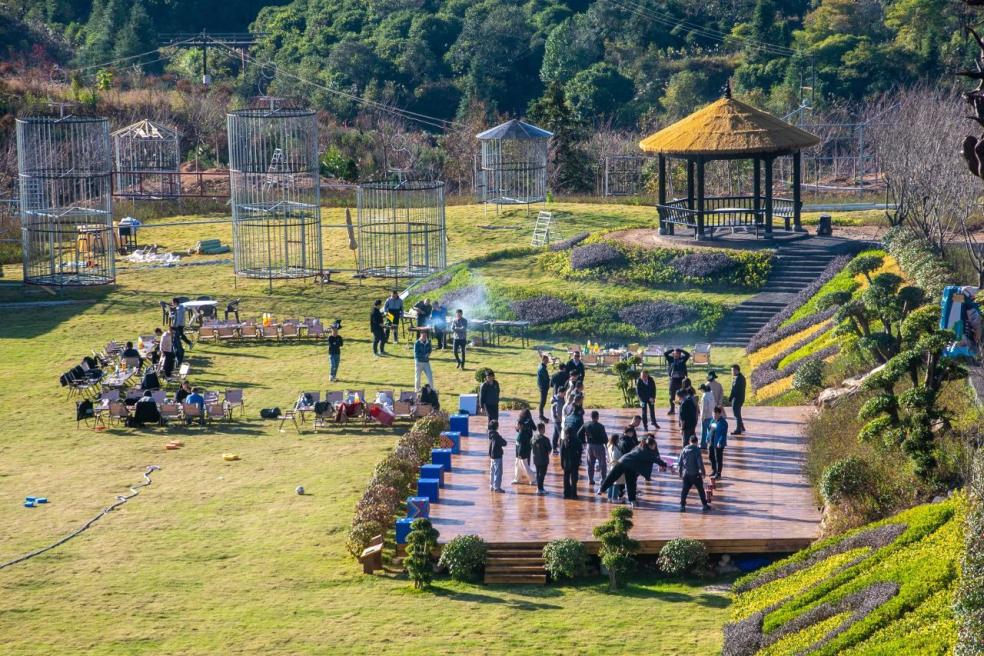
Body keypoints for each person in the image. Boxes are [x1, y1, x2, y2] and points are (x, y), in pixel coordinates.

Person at [598, 436, 667, 508]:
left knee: (612, 477)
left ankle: (601, 489)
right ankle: (632, 501)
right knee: (631, 484)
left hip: (623, 461)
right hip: (630, 466)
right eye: (654, 445)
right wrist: (664, 464)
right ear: (651, 445)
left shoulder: (639, 447)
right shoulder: (647, 451)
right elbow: (656, 460)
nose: (655, 447)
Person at [678, 435, 711, 512]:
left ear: (689, 441)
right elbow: (700, 463)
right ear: (696, 442)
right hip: (695, 474)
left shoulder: (684, 449)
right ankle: (704, 505)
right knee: (701, 490)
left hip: (686, 474)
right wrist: (703, 473)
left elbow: (680, 463)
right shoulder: (697, 450)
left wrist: (680, 473)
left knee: (684, 491)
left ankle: (682, 506)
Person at [579, 410, 608, 489]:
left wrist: (584, 441)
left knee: (590, 464)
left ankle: (590, 479)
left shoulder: (586, 424)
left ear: (591, 417)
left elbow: (579, 434)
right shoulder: (601, 426)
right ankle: (603, 479)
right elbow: (605, 438)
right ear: (597, 417)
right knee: (602, 464)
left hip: (589, 446)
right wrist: (606, 445)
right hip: (599, 446)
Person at [560, 423, 583, 499]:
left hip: (566, 462)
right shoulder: (577, 440)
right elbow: (580, 451)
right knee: (574, 479)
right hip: (575, 462)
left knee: (566, 478)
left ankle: (566, 493)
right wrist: (579, 460)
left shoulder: (564, 441)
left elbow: (562, 453)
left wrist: (561, 462)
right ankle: (574, 494)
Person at [664, 348, 690, 414]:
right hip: (673, 380)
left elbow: (688, 354)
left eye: (677, 353)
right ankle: (672, 409)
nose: (676, 354)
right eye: (675, 353)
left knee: (682, 395)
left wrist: (681, 350)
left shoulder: (683, 359)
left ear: (680, 354)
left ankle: (683, 408)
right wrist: (672, 349)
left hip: (681, 380)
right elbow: (665, 354)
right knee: (671, 396)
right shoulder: (671, 359)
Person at [512, 408, 535, 485]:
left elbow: (517, 429)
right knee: (520, 461)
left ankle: (533, 479)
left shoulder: (520, 420)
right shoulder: (530, 420)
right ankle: (517, 479)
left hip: (520, 442)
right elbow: (535, 428)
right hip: (527, 442)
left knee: (521, 462)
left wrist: (520, 427)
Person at [532, 422, 552, 495]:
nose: (544, 430)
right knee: (542, 474)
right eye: (544, 428)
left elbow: (531, 445)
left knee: (538, 473)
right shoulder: (545, 439)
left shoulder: (533, 437)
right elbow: (549, 450)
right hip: (543, 460)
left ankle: (539, 488)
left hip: (536, 459)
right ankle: (540, 488)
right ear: (541, 429)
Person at [709, 406, 729, 479]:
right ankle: (714, 470)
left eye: (715, 414)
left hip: (718, 444)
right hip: (712, 442)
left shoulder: (723, 423)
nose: (713, 415)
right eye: (713, 414)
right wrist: (707, 438)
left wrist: (720, 442)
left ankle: (718, 473)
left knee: (718, 458)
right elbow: (710, 430)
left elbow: (723, 434)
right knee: (711, 457)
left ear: (719, 414)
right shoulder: (713, 421)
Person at [605, 433, 625, 502]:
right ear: (616, 439)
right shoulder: (615, 448)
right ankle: (614, 498)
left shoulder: (609, 446)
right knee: (616, 483)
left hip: (610, 467)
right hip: (616, 467)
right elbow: (615, 457)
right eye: (618, 439)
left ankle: (609, 497)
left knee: (610, 482)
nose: (619, 440)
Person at [488, 419, 506, 493]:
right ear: (497, 427)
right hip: (497, 456)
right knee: (498, 472)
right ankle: (497, 487)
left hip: (492, 456)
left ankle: (492, 485)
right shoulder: (496, 436)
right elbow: (504, 443)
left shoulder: (490, 435)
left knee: (492, 471)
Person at [728, 364, 747, 435]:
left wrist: (730, 398)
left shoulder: (738, 379)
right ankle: (741, 427)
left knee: (736, 414)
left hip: (737, 399)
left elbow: (734, 390)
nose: (732, 372)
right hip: (740, 398)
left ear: (737, 370)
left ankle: (738, 429)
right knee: (738, 413)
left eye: (733, 370)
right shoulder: (741, 377)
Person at [699, 383, 715, 448]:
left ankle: (703, 445)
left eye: (700, 389)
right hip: (711, 415)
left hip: (705, 417)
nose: (700, 391)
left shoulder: (704, 397)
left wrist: (702, 417)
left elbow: (704, 408)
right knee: (710, 431)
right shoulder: (711, 395)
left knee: (704, 432)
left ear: (703, 389)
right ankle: (711, 444)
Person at [550, 388, 566, 453]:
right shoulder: (558, 401)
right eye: (564, 393)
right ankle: (562, 449)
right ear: (560, 393)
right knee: (561, 434)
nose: (565, 394)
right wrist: (562, 421)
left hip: (555, 419)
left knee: (556, 433)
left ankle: (554, 448)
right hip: (558, 420)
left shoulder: (556, 398)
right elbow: (558, 413)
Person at [536, 355, 551, 422]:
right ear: (543, 360)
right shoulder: (542, 368)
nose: (547, 361)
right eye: (546, 360)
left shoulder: (541, 366)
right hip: (543, 387)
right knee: (543, 401)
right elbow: (546, 378)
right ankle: (541, 416)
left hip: (542, 386)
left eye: (547, 360)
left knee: (543, 401)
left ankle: (541, 415)